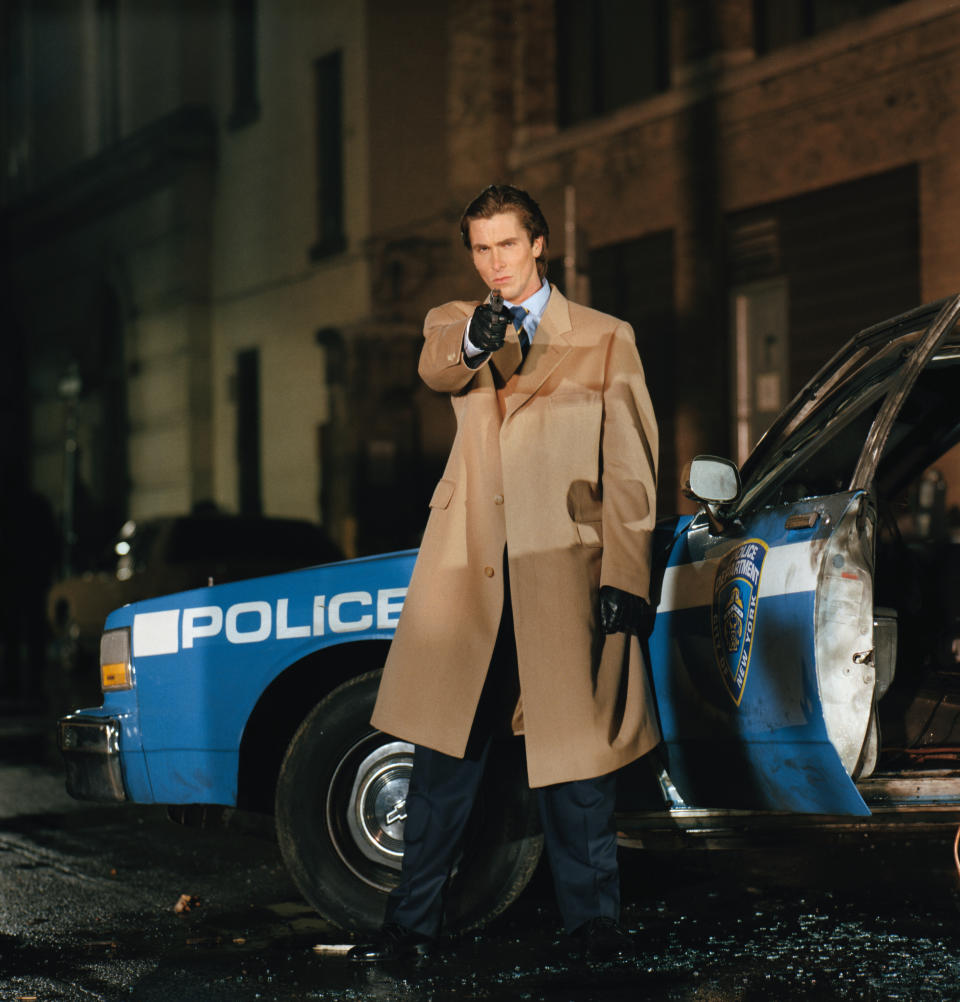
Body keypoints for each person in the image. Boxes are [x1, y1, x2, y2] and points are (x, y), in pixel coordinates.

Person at [350, 184, 660, 964]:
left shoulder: (604, 337)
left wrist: (628, 573)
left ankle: (593, 928)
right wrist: (477, 341)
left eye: (507, 246)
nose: (494, 264)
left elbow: (631, 470)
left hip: (563, 570)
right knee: (442, 761)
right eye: (481, 249)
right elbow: (437, 366)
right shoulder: (456, 323)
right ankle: (410, 930)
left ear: (540, 244)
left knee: (576, 762)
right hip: (471, 572)